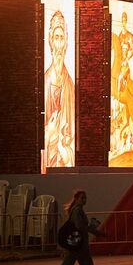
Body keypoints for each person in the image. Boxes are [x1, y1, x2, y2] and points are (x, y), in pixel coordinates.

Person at [52, 190, 110, 265]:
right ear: (76, 199)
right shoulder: (78, 210)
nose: (84, 200)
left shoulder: (75, 210)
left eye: (85, 198)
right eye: (82, 198)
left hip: (74, 244)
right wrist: (95, 231)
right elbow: (80, 226)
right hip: (79, 244)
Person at [45, 9, 76, 168]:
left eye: (61, 38)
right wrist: (49, 133)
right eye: (56, 38)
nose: (59, 44)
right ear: (51, 41)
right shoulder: (45, 82)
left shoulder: (69, 84)